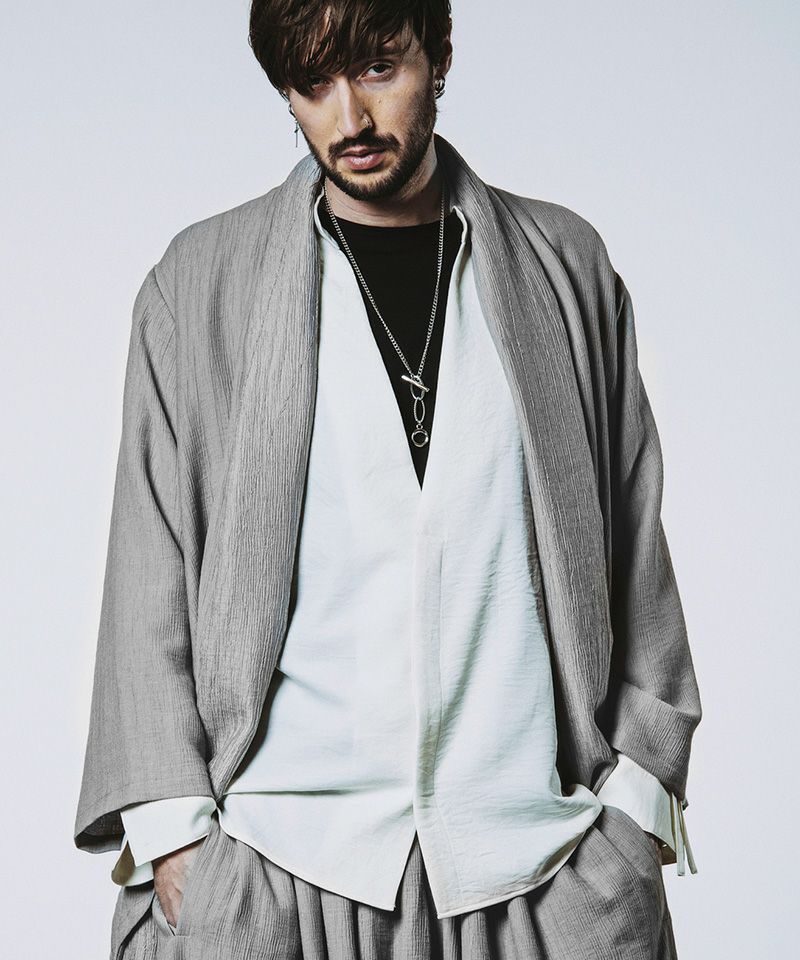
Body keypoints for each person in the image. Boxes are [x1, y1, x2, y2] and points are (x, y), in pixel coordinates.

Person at [74, 2, 702, 958]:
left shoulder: (565, 267)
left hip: (536, 867)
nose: (350, 119)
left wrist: (635, 813)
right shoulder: (198, 286)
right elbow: (146, 573)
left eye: (376, 68)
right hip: (278, 872)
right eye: (312, 84)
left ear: (438, 53)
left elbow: (637, 548)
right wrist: (178, 848)